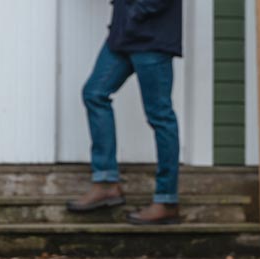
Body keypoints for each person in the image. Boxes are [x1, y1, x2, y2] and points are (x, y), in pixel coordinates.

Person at [66, 0, 184, 225]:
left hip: (152, 35)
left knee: (160, 115)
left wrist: (135, 12)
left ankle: (167, 200)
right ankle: (106, 182)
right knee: (94, 94)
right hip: (123, 35)